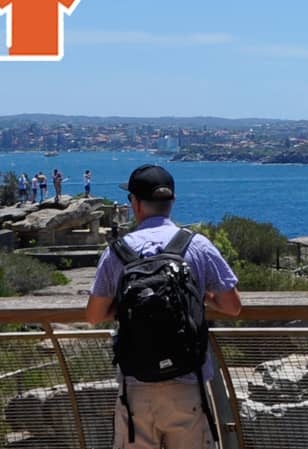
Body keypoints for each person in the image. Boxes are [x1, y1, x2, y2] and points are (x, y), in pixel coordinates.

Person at [85, 164, 242, 449]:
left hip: (136, 388)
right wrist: (201, 296)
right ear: (171, 202)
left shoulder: (117, 252)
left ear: (135, 203)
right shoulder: (197, 246)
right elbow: (232, 307)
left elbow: (94, 316)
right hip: (188, 383)